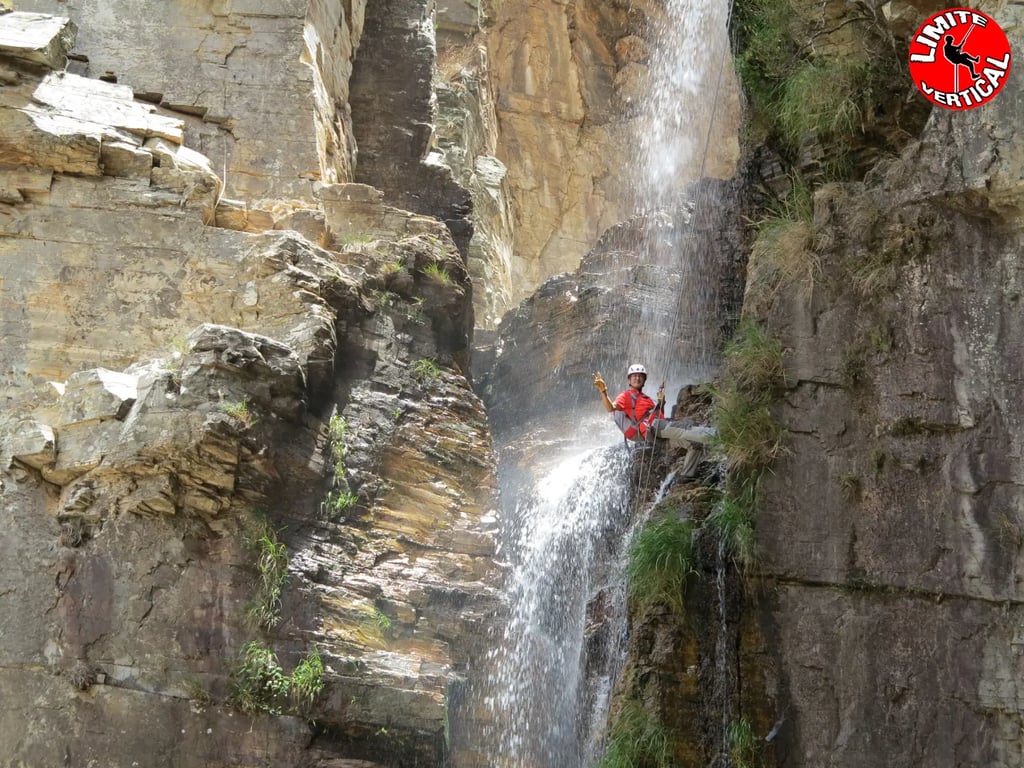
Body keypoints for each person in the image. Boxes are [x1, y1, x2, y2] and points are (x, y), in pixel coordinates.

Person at [592, 364, 668, 442]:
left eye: (640, 376)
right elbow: (610, 408)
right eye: (634, 376)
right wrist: (603, 391)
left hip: (655, 428)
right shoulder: (626, 396)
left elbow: (658, 417)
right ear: (629, 380)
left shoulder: (647, 399)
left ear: (644, 380)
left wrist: (661, 404)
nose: (637, 378)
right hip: (648, 430)